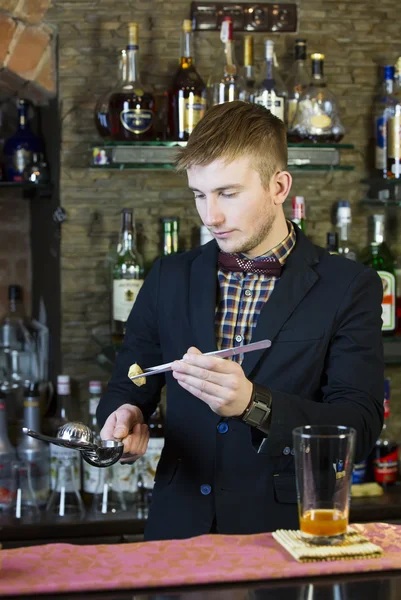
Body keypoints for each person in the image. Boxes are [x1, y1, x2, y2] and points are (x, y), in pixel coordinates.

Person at [97, 101, 384, 541]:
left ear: (279, 186)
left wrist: (255, 404)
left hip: (286, 536)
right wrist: (125, 413)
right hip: (176, 531)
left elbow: (358, 428)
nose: (210, 216)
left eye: (228, 193)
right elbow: (130, 379)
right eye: (199, 195)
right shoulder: (167, 276)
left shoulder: (349, 286)